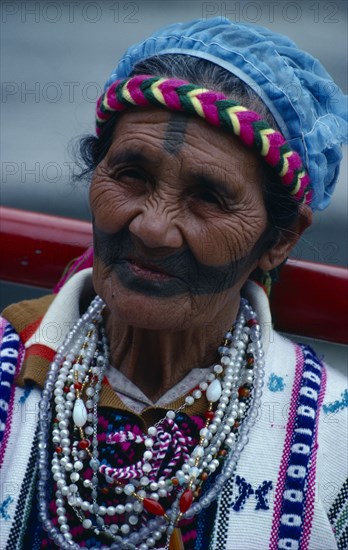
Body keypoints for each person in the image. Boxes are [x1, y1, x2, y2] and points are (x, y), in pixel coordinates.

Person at [0, 17, 347, 550]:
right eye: (130, 175)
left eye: (209, 197)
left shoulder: (334, 437)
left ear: (281, 239)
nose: (151, 227)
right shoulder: (8, 372)